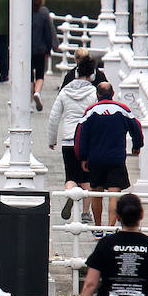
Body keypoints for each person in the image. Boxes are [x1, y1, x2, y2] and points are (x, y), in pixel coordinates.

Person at [73, 82, 144, 226]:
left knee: (97, 193)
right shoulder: (122, 109)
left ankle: (98, 227)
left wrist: (82, 157)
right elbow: (136, 128)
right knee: (114, 193)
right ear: (112, 93)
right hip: (116, 158)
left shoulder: (90, 111)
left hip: (95, 159)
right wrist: (137, 146)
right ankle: (110, 228)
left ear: (97, 95)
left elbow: (81, 135)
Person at [48, 57, 100, 223]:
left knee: (70, 176)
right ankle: (85, 213)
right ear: (92, 75)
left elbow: (54, 117)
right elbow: (97, 117)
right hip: (87, 141)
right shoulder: (93, 93)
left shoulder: (64, 92)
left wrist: (52, 139)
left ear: (76, 72)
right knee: (87, 179)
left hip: (69, 140)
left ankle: (71, 193)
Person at [30, 0, 55, 111]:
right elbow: (48, 34)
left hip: (27, 50)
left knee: (29, 76)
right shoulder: (44, 14)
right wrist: (48, 49)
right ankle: (37, 93)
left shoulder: (24, 14)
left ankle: (29, 102)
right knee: (40, 74)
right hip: (41, 49)